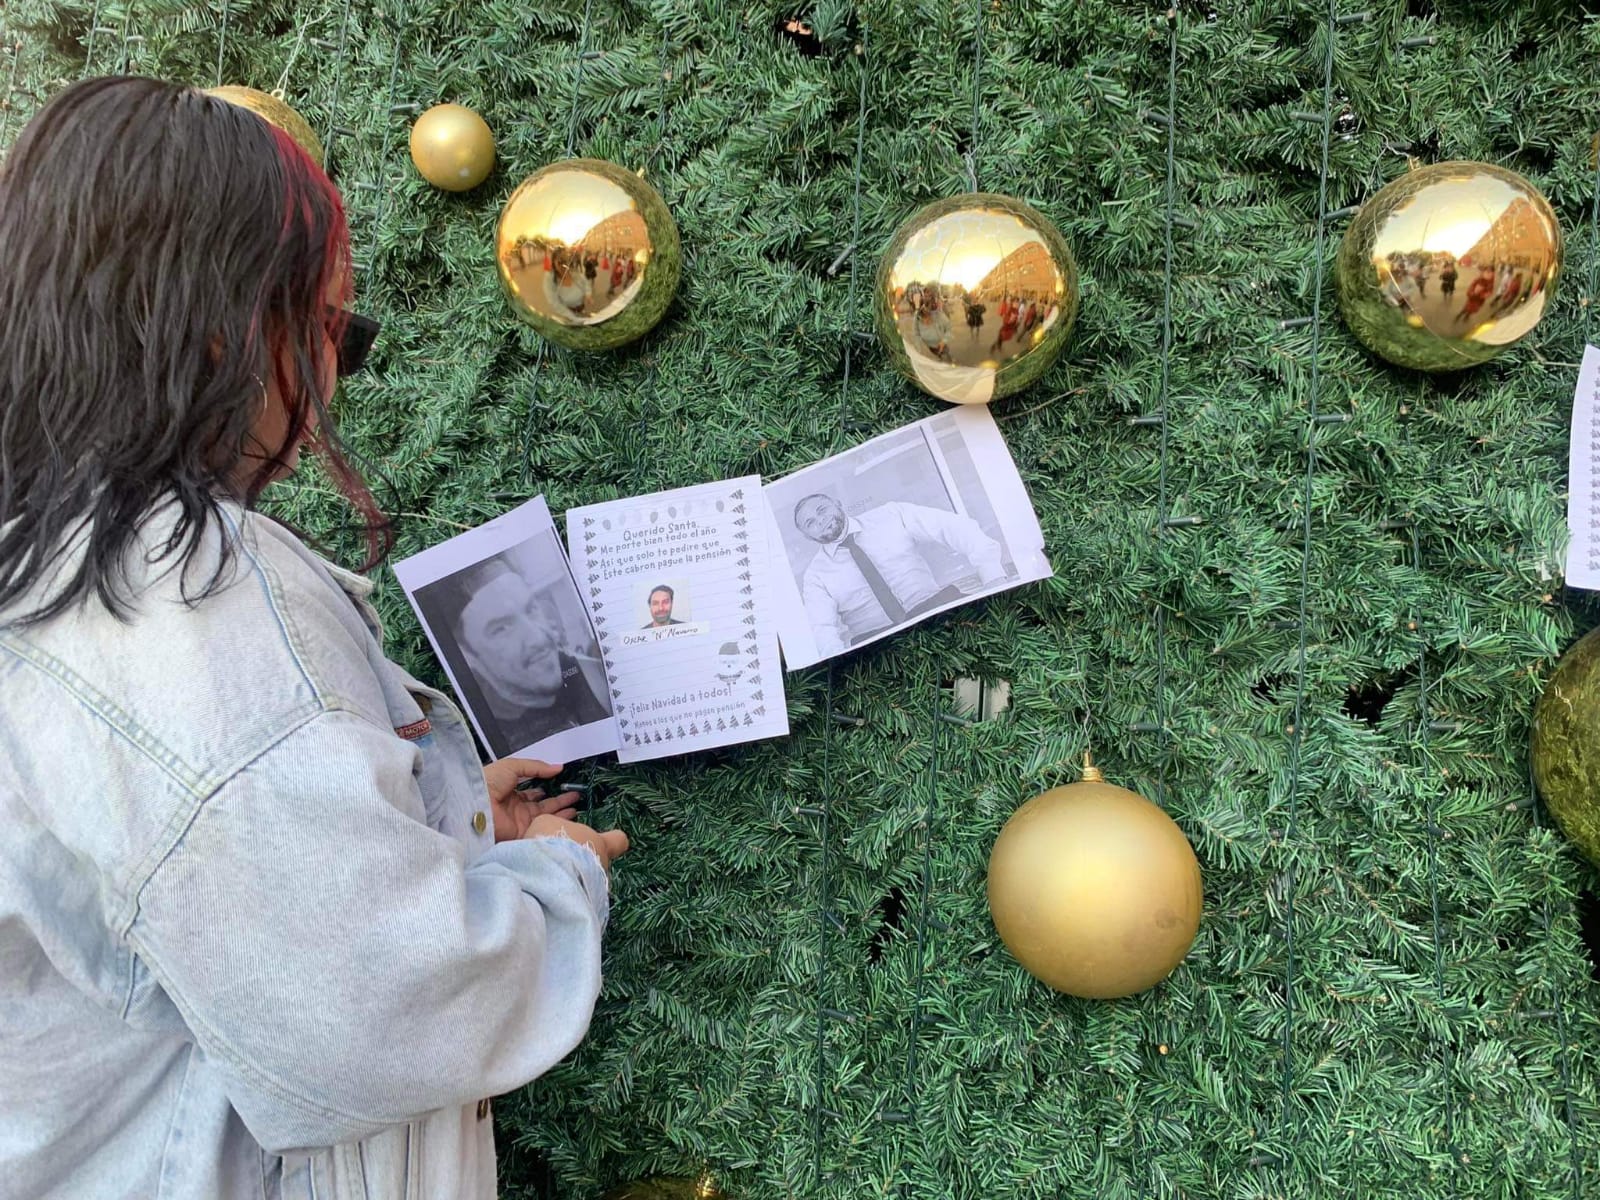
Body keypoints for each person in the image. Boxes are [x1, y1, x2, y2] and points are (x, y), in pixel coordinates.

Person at [0, 77, 629, 1200]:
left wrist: (449, 815)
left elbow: (176, 886)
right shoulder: (182, 590)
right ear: (217, 322)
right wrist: (558, 879)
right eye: (331, 325)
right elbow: (380, 1012)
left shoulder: (40, 554)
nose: (335, 370)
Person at [791, 492, 1008, 657]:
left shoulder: (891, 515)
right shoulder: (815, 576)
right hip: (880, 647)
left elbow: (954, 528)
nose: (820, 521)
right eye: (810, 523)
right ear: (808, 537)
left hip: (939, 610)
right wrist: (841, 662)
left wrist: (993, 577)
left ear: (838, 504)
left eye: (822, 510)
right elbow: (822, 629)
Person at [449, 559, 610, 753]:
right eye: (501, 628)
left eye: (530, 609)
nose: (538, 638)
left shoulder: (598, 676)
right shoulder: (478, 736)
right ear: (469, 656)